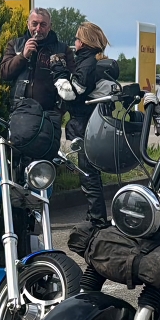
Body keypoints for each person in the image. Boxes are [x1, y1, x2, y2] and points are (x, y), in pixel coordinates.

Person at [52, 22, 113, 226]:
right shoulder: (94, 60)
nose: (75, 42)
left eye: (77, 39)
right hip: (92, 123)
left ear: (84, 42)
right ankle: (96, 216)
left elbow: (71, 93)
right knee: (91, 172)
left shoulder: (87, 63)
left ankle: (96, 220)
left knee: (88, 174)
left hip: (87, 124)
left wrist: (58, 70)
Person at [0, 8, 75, 111]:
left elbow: (72, 80)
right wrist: (22, 56)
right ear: (28, 24)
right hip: (20, 110)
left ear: (50, 27)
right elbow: (4, 74)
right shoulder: (15, 45)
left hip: (51, 112)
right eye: (34, 24)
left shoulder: (63, 49)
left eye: (43, 25)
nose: (38, 29)